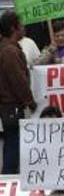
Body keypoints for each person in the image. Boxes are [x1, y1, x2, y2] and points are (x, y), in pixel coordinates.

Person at [0, 11, 37, 174]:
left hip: (9, 104)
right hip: (11, 104)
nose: (24, 28)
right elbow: (18, 80)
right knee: (13, 141)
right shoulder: (9, 51)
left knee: (13, 140)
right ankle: (8, 175)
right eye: (21, 25)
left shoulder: (9, 48)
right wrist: (29, 101)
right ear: (13, 28)